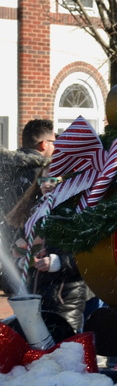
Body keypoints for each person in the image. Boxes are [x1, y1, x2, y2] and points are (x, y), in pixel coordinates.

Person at [5, 169, 92, 332]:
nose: (46, 184)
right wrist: (21, 259)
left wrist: (57, 262)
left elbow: (89, 257)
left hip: (65, 299)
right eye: (43, 179)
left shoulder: (75, 211)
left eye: (53, 179)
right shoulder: (34, 211)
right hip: (34, 298)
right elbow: (17, 248)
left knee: (66, 347)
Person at [0, 119, 55, 293]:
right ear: (44, 144)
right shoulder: (42, 173)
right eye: (54, 141)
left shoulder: (5, 168)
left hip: (10, 252)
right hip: (32, 257)